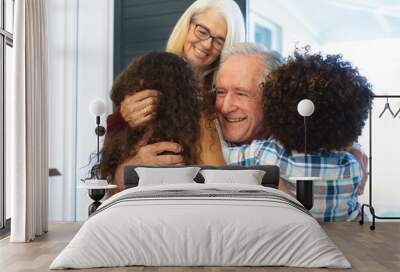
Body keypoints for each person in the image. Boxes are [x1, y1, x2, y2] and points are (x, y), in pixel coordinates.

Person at [218, 44, 372, 221]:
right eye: (220, 92)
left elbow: (213, 160)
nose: (226, 106)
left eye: (241, 93)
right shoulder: (351, 167)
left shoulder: (266, 155)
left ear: (271, 100)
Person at [105, 0, 245, 185]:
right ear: (187, 25)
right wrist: (122, 118)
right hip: (146, 193)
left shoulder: (225, 96)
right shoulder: (151, 73)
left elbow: (221, 171)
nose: (206, 44)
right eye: (202, 31)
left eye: (219, 41)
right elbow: (111, 159)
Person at [94, 52, 203, 191]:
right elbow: (111, 188)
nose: (135, 108)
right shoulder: (123, 130)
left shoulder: (200, 130)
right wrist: (131, 168)